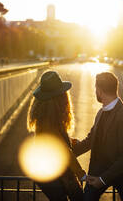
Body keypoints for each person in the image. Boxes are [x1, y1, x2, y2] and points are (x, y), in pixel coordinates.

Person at [72, 72, 123, 201]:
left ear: (99, 90)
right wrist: (69, 151)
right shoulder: (101, 112)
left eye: (95, 88)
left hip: (122, 173)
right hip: (99, 170)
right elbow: (90, 140)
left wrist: (103, 180)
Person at [28, 71, 86, 201]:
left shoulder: (45, 118)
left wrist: (69, 141)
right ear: (58, 97)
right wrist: (81, 174)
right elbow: (64, 152)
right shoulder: (49, 121)